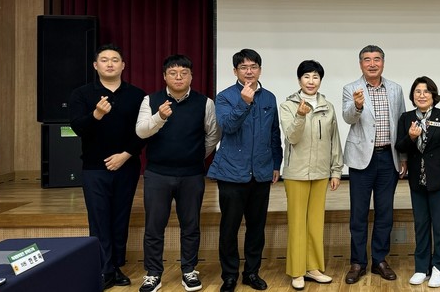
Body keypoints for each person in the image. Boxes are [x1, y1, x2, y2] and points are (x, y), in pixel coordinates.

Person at [135, 55, 220, 292]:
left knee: (190, 225)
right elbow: (141, 132)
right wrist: (159, 117)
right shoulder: (151, 100)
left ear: (192, 76)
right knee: (154, 226)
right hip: (157, 174)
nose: (179, 77)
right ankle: (153, 273)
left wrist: (195, 155)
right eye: (173, 73)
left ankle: (189, 270)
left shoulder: (205, 103)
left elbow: (213, 135)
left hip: (191, 174)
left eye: (184, 73)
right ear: (164, 76)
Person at [69, 43, 146, 290]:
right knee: (99, 219)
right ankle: (104, 269)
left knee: (120, 217)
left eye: (115, 60)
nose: (110, 64)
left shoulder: (137, 95)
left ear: (123, 65)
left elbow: (144, 132)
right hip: (94, 167)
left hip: (127, 165)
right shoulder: (81, 94)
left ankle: (116, 266)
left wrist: (125, 155)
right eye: (104, 60)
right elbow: (78, 128)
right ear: (95, 65)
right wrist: (96, 115)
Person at [207, 49, 282, 292]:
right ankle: (229, 275)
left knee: (256, 227)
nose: (249, 71)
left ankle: (251, 272)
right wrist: (244, 102)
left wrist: (276, 163)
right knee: (229, 227)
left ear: (260, 69)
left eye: (253, 66)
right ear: (235, 71)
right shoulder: (225, 97)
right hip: (231, 172)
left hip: (261, 171)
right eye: (243, 67)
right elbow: (227, 126)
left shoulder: (269, 97)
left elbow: (274, 134)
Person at [341, 45, 406, 284]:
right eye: (367, 60)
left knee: (385, 213)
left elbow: (401, 123)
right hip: (361, 159)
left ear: (383, 63)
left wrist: (403, 157)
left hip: (388, 158)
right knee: (358, 214)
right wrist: (357, 105)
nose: (372, 64)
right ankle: (358, 262)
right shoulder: (350, 88)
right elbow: (348, 118)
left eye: (376, 59)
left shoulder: (395, 89)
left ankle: (379, 259)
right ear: (360, 64)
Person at [279, 60, 343, 290]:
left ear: (320, 80)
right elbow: (292, 137)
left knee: (315, 222)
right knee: (297, 222)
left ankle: (313, 267)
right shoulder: (288, 105)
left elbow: (335, 140)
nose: (311, 81)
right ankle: (297, 271)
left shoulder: (328, 106)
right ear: (299, 80)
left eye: (315, 77)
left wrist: (336, 170)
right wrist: (300, 115)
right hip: (296, 173)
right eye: (306, 76)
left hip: (321, 173)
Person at [395, 76, 440, 288]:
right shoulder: (406, 118)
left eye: (426, 91)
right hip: (417, 181)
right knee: (421, 226)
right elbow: (400, 146)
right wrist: (411, 137)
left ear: (433, 95)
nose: (422, 95)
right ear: (412, 95)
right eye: (417, 91)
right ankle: (421, 268)